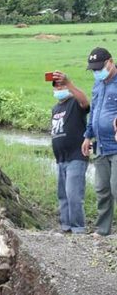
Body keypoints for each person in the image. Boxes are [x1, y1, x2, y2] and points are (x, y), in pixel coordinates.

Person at [82, 47, 117, 235]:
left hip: (116, 144)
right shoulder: (98, 85)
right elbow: (94, 112)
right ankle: (103, 230)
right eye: (93, 69)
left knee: (116, 187)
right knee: (102, 189)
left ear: (110, 62)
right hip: (101, 145)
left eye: (99, 68)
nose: (97, 72)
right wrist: (88, 136)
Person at [50, 71, 90, 233]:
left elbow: (85, 102)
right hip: (61, 158)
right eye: (56, 86)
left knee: (73, 194)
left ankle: (78, 228)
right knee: (63, 195)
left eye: (62, 84)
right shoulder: (55, 108)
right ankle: (66, 226)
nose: (59, 88)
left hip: (76, 156)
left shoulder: (75, 102)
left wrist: (70, 83)